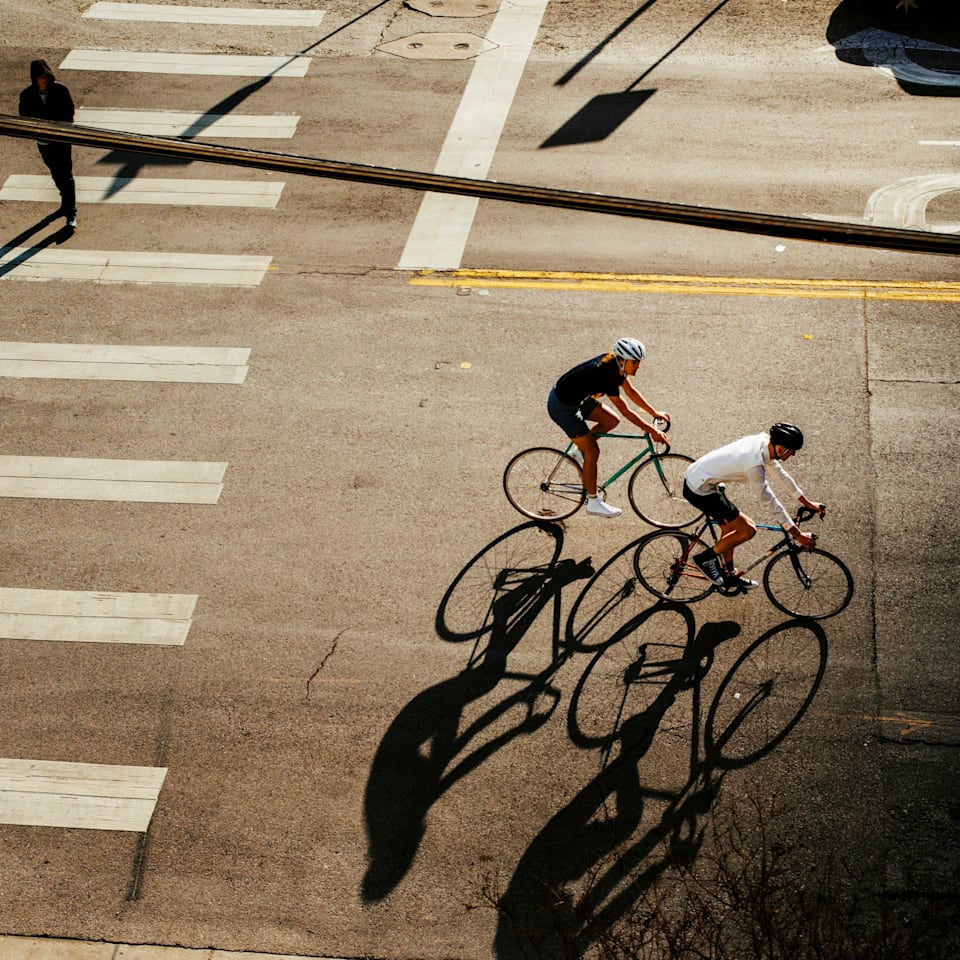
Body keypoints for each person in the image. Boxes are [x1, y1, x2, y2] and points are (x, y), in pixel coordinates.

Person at [682, 423, 824, 590]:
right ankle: (705, 559)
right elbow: (768, 500)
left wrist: (807, 503)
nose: (792, 454)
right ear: (781, 449)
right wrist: (797, 534)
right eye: (791, 450)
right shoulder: (753, 464)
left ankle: (729, 575)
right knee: (748, 529)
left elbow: (781, 475)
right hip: (700, 490)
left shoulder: (764, 442)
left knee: (729, 530)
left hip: (704, 478)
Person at [548, 337, 670, 518]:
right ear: (623, 360)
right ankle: (593, 502)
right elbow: (626, 411)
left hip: (577, 399)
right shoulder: (607, 374)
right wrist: (652, 431)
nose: (638, 366)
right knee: (593, 452)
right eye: (635, 362)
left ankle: (577, 450)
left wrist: (653, 413)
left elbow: (630, 392)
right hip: (563, 407)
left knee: (611, 421)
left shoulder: (616, 365)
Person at [19, 59, 77, 229]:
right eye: (40, 77)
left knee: (66, 174)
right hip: (44, 142)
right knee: (56, 173)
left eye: (45, 76)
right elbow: (24, 118)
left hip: (61, 140)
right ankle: (65, 198)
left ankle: (70, 211)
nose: (43, 80)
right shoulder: (27, 95)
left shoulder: (60, 90)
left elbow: (69, 112)